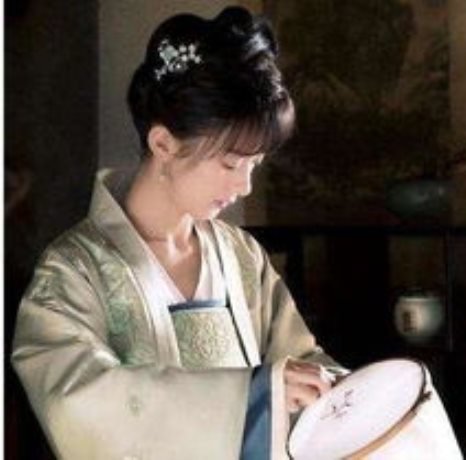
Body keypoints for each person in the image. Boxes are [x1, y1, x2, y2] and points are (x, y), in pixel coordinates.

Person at [11, 7, 341, 460]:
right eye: (230, 163)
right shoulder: (72, 272)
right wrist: (253, 394)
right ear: (163, 143)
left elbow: (302, 364)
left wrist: (354, 394)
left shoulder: (242, 257)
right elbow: (77, 404)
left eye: (254, 165)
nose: (244, 185)